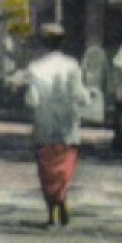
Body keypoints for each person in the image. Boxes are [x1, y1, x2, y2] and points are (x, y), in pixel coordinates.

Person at [25, 24, 93, 227]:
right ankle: (61, 198)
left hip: (44, 123)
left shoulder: (35, 67)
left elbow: (32, 99)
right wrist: (88, 97)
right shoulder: (72, 65)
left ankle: (51, 210)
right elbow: (79, 95)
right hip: (67, 124)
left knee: (47, 170)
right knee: (64, 168)